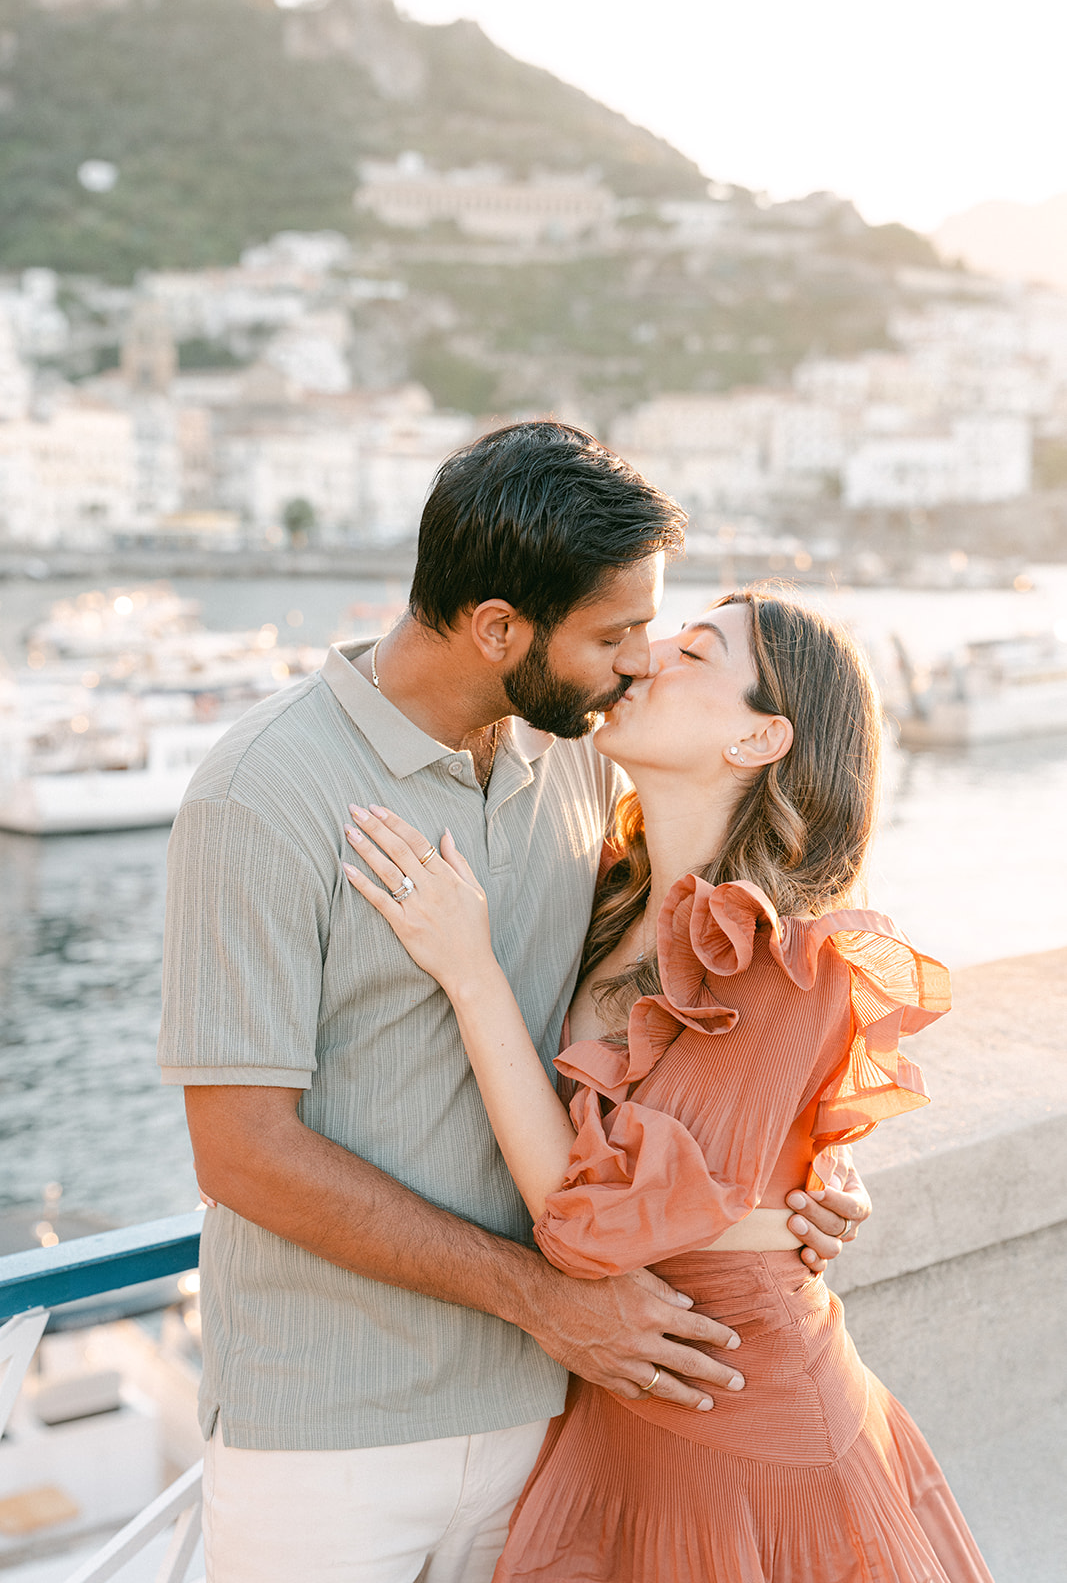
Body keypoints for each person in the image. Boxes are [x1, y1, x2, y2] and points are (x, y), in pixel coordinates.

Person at [158, 422, 869, 1583]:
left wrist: (803, 1168)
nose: (640, 661)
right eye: (614, 635)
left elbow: (691, 1013)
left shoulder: (581, 759)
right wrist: (540, 1297)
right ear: (499, 628)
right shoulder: (260, 792)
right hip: (333, 1434)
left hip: (556, 1414)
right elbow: (239, 1151)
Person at [340, 586, 994, 1583]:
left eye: (694, 654)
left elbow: (585, 1225)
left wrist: (467, 971)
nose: (645, 660)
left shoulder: (792, 955)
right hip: (617, 1406)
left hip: (743, 1422)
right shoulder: (608, 891)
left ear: (758, 738)